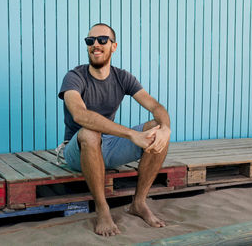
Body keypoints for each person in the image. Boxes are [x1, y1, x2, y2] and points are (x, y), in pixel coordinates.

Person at [58, 23, 171, 237]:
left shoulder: (122, 77)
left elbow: (155, 106)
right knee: (89, 132)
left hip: (107, 145)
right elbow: (80, 116)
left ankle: (138, 203)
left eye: (102, 40)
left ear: (114, 46)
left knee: (156, 129)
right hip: (78, 150)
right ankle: (102, 209)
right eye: (90, 41)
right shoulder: (75, 77)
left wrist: (165, 128)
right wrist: (131, 133)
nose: (96, 45)